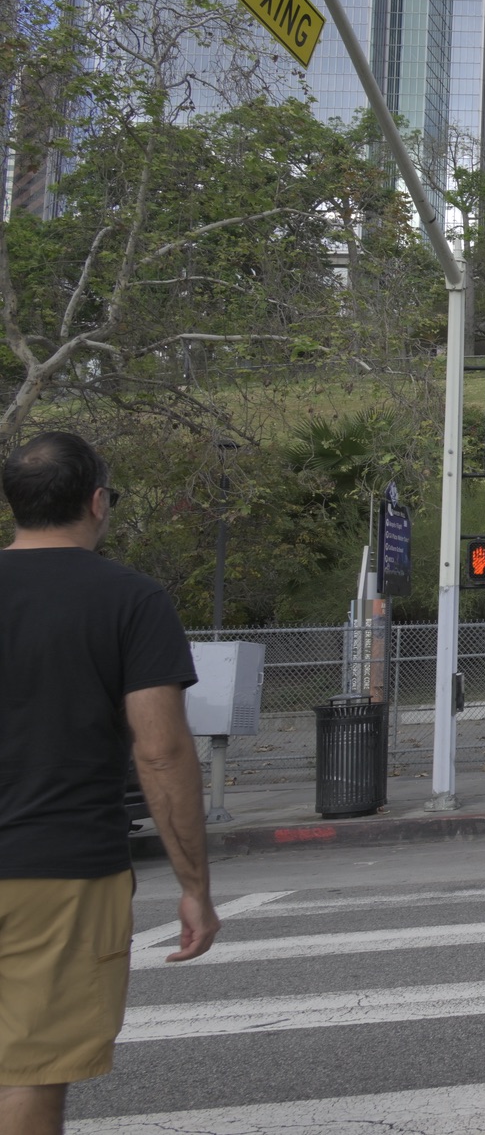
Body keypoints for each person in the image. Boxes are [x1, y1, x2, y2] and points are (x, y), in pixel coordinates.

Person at [0, 432, 217, 1135]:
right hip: (58, 870)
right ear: (97, 502)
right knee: (30, 1069)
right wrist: (194, 885)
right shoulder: (130, 599)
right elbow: (161, 752)